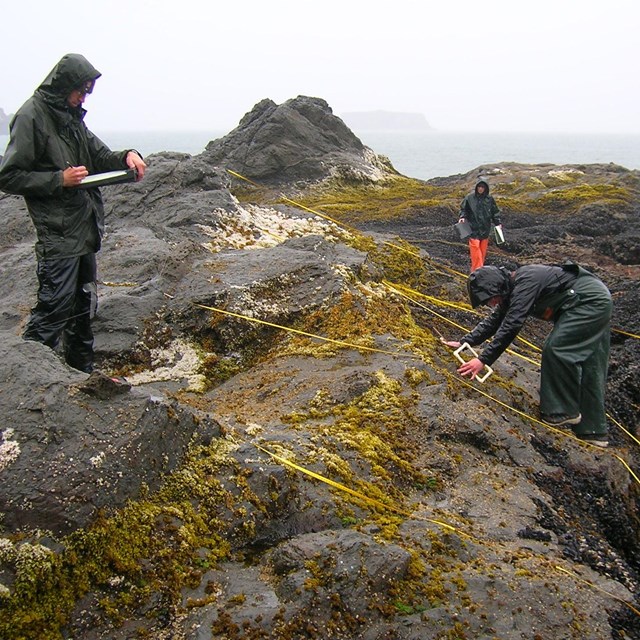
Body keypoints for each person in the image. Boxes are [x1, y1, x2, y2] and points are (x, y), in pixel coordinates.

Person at [0, 53, 147, 373]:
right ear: (64, 84)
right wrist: (59, 180)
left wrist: (128, 157)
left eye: (88, 92)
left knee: (83, 310)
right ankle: (25, 383)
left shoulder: (71, 116)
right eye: (81, 90)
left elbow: (101, 155)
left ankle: (82, 378)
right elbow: (7, 175)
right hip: (58, 233)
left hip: (84, 229)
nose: (83, 97)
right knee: (53, 310)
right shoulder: (31, 116)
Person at [443, 263, 613, 447]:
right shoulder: (512, 288)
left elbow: (512, 323)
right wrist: (465, 342)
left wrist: (483, 360)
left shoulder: (526, 281)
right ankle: (593, 431)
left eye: (491, 299)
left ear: (498, 286)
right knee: (591, 364)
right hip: (590, 299)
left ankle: (562, 412)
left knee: (557, 349)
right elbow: (496, 320)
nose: (492, 304)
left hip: (589, 300)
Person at [458, 179, 502, 272]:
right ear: (476, 187)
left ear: (485, 188)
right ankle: (480, 271)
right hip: (473, 228)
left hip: (485, 229)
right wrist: (462, 217)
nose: (481, 189)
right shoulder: (469, 198)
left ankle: (475, 271)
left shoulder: (489, 199)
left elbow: (495, 212)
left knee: (482, 253)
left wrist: (498, 223)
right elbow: (463, 209)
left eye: (482, 187)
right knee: (475, 250)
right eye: (479, 187)